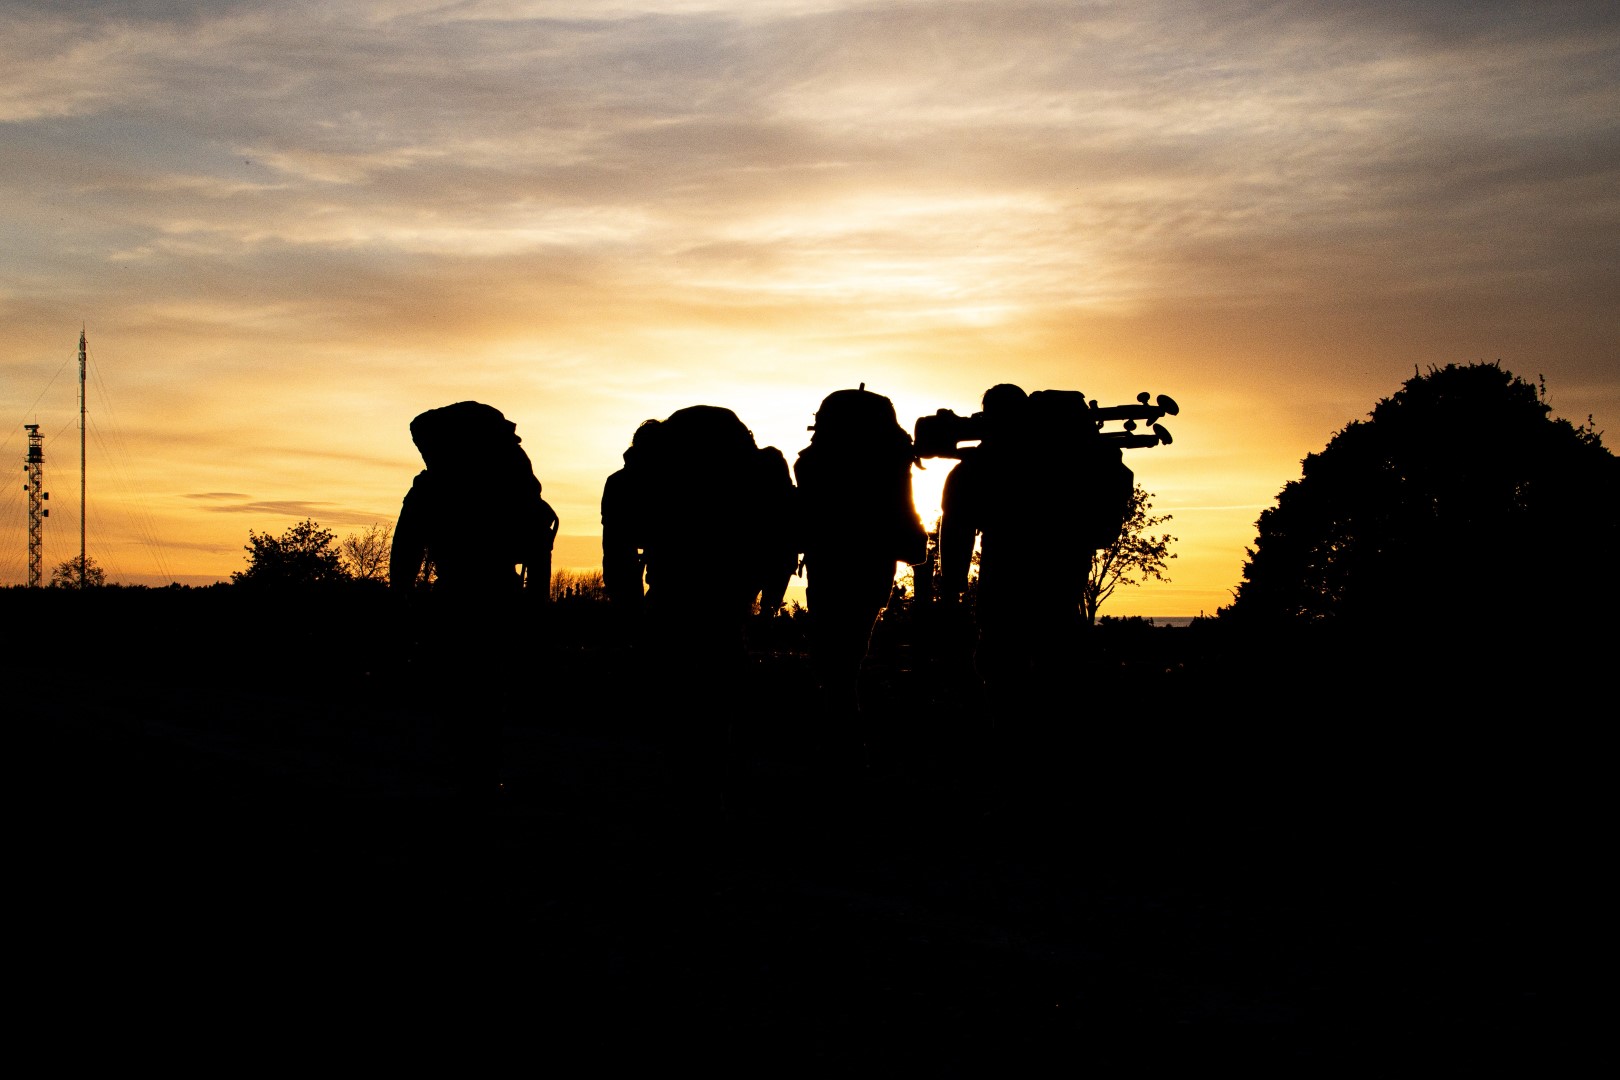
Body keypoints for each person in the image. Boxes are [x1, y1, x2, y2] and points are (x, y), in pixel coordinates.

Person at [390, 400, 559, 803]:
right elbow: (538, 543)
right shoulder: (510, 483)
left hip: (458, 591)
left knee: (464, 685)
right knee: (487, 685)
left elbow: (406, 548)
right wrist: (536, 604)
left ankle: (469, 773)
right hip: (501, 590)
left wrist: (401, 596)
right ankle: (481, 770)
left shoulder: (431, 487)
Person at [938, 384, 1129, 721]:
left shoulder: (981, 463)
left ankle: (1013, 739)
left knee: (1003, 664)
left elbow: (958, 526)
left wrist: (953, 585)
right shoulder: (1068, 455)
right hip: (1064, 567)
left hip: (1006, 573)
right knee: (1057, 659)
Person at [793, 387, 928, 746]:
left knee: (838, 656)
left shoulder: (813, 463)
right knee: (847, 652)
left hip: (835, 562)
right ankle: (846, 731)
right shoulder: (892, 456)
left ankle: (842, 734)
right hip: (870, 563)